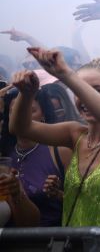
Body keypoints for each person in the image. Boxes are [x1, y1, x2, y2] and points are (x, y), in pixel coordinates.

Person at [10, 49, 100, 226]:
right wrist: (26, 94)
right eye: (80, 92)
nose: (85, 99)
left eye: (97, 90)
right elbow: (20, 128)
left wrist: (65, 74)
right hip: (73, 244)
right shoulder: (75, 134)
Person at [2, 87, 72, 226]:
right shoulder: (4, 154)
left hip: (49, 241)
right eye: (14, 111)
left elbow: (80, 201)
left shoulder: (60, 152)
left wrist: (57, 193)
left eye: (30, 110)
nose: (20, 116)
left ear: (43, 115)